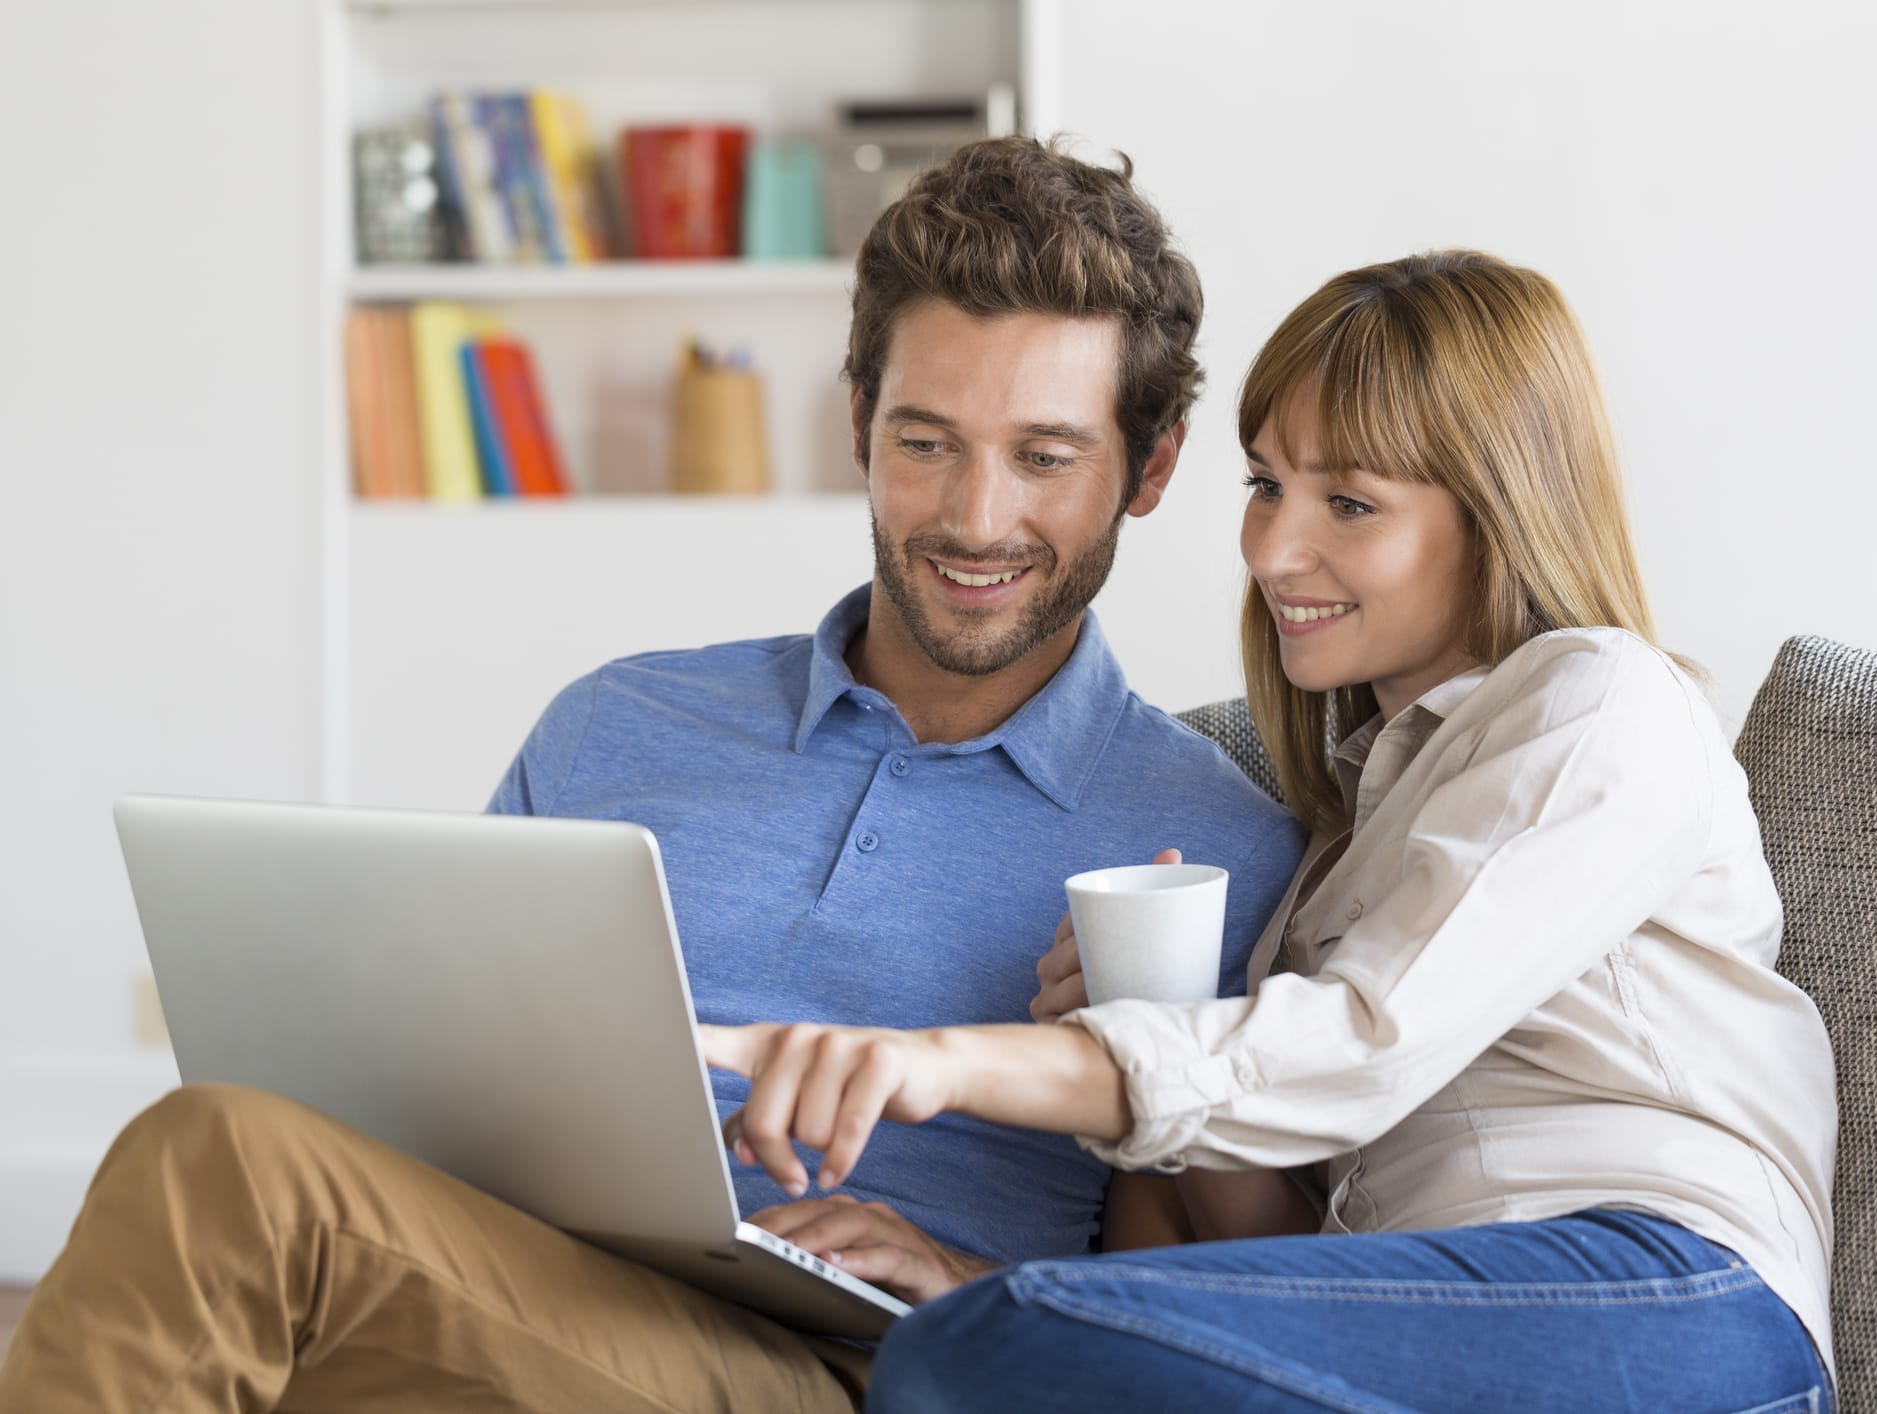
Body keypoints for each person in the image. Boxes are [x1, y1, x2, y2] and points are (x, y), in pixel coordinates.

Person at [0, 137, 1308, 1414]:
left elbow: (1239, 1313)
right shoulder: (618, 723)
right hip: (510, 1290)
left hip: (854, 1361)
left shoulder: (1215, 843)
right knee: (248, 1251)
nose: (974, 517)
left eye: (1043, 456)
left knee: (222, 1159)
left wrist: (974, 1285)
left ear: (1149, 466)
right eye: (925, 442)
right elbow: (438, 1078)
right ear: (856, 418)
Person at [696, 250, 1842, 1413]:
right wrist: (975, 1267)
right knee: (978, 1339)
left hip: (1670, 1299)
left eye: (1348, 501)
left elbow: (1361, 1043)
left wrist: (932, 1062)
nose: (1272, 549)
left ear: (1496, 512)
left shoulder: (1602, 702)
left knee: (985, 1351)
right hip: (1418, 1316)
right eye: (1265, 485)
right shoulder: (1338, 857)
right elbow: (1226, 1263)